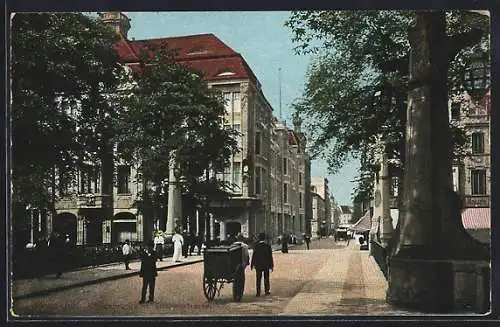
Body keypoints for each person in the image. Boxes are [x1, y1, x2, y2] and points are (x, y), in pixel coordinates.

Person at [250, 232, 274, 297]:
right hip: (266, 265)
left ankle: (258, 292)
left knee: (258, 278)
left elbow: (254, 256)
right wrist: (271, 266)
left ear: (259, 238)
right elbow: (270, 257)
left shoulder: (256, 246)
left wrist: (252, 264)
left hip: (258, 265)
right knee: (266, 278)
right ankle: (266, 291)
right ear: (265, 238)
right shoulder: (267, 246)